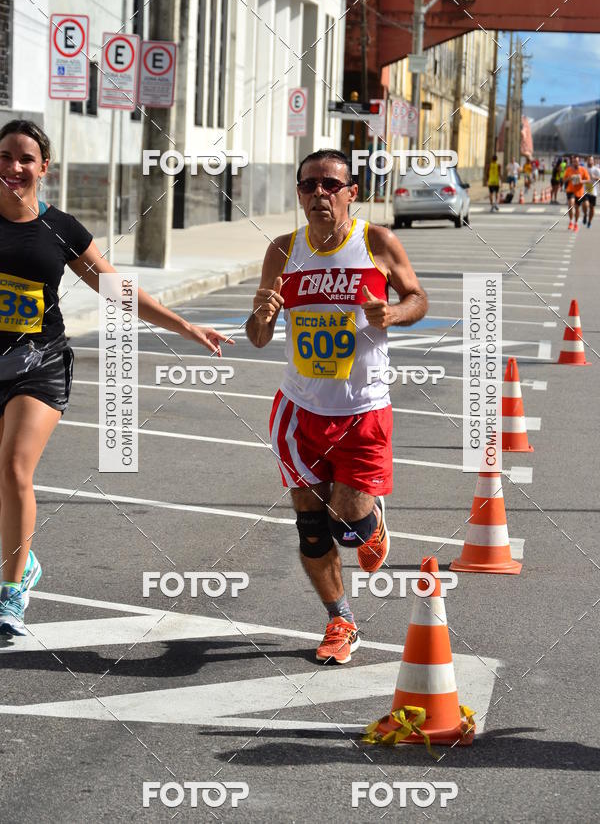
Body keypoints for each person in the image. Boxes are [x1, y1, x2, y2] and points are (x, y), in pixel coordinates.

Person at [0, 120, 232, 636]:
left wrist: (185, 325)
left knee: (15, 467)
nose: (13, 168)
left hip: (39, 364)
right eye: (4, 157)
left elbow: (116, 288)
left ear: (44, 168)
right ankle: (26, 560)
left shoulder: (60, 228)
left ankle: (12, 592)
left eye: (24, 158)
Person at [246, 149, 428, 665]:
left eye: (331, 184)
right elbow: (258, 336)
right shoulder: (283, 250)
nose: (319, 193)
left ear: (352, 191)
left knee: (349, 523)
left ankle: (370, 521)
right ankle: (340, 620)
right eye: (308, 185)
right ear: (299, 194)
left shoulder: (376, 242)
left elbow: (419, 298)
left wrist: (394, 311)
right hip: (299, 410)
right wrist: (262, 314)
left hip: (364, 408)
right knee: (310, 522)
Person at [562, 153, 590, 231]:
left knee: (577, 208)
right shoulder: (568, 169)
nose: (575, 163)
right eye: (574, 161)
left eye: (576, 161)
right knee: (571, 204)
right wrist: (569, 178)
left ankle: (576, 223)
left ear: (579, 161)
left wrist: (581, 181)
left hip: (579, 191)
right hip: (570, 190)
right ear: (572, 162)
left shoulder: (583, 170)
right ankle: (570, 221)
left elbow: (588, 180)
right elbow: (564, 180)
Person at [582, 155, 600, 227]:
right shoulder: (584, 169)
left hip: (593, 192)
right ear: (587, 161)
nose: (590, 161)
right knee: (585, 204)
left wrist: (594, 177)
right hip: (585, 191)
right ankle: (585, 215)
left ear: (593, 161)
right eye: (588, 160)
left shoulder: (596, 170)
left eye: (591, 160)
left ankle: (589, 221)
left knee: (592, 208)